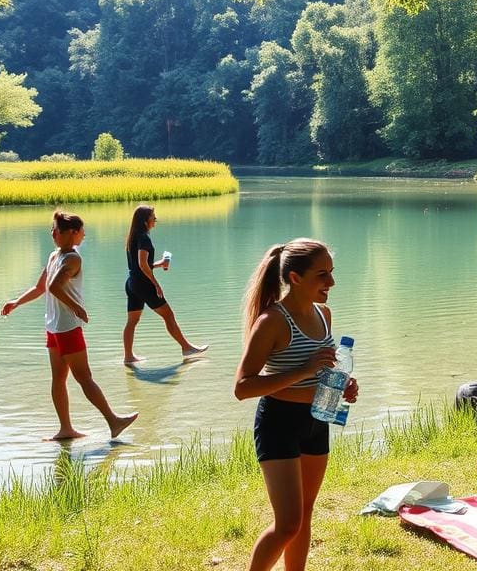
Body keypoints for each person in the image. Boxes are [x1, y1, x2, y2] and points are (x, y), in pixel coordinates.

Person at [234, 239, 359, 571]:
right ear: (295, 277)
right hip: (279, 424)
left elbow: (323, 368)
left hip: (317, 420)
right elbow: (243, 387)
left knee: (304, 514)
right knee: (288, 523)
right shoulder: (272, 321)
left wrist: (342, 383)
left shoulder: (324, 314)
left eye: (331, 273)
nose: (331, 282)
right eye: (322, 275)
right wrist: (304, 371)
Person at [0, 211, 139, 441]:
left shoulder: (58, 257)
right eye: (54, 230)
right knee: (84, 378)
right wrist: (77, 308)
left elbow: (43, 288)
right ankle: (113, 422)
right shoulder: (69, 258)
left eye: (54, 230)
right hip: (67, 328)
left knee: (59, 379)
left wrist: (16, 303)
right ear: (71, 233)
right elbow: (49, 287)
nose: (52, 233)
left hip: (53, 328)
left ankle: (66, 429)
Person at [123, 204, 207, 365]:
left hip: (132, 283)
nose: (155, 219)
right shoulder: (144, 238)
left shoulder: (133, 237)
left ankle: (128, 357)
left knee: (132, 321)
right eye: (153, 217)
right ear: (145, 221)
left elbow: (140, 265)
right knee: (168, 315)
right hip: (143, 284)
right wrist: (155, 283)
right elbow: (142, 264)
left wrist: (159, 264)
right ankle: (186, 347)